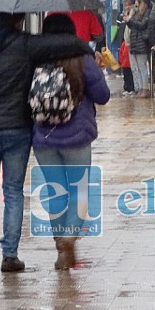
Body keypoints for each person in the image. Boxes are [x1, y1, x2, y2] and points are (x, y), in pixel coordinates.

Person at [0, 12, 92, 272]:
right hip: (17, 128)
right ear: (19, 20)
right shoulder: (24, 43)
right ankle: (10, 254)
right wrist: (84, 46)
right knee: (12, 190)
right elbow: (58, 45)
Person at [32, 14, 111, 269]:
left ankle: (60, 245)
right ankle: (69, 238)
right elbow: (102, 96)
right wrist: (96, 70)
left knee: (55, 190)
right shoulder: (82, 58)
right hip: (77, 135)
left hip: (43, 135)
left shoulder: (35, 58)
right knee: (79, 189)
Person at [123, 0, 152, 98]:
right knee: (136, 67)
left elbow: (142, 25)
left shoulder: (147, 12)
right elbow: (133, 26)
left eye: (137, 1)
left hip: (142, 43)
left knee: (142, 66)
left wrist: (131, 21)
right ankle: (139, 88)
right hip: (135, 42)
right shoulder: (136, 12)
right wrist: (128, 19)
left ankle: (145, 88)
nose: (135, 3)